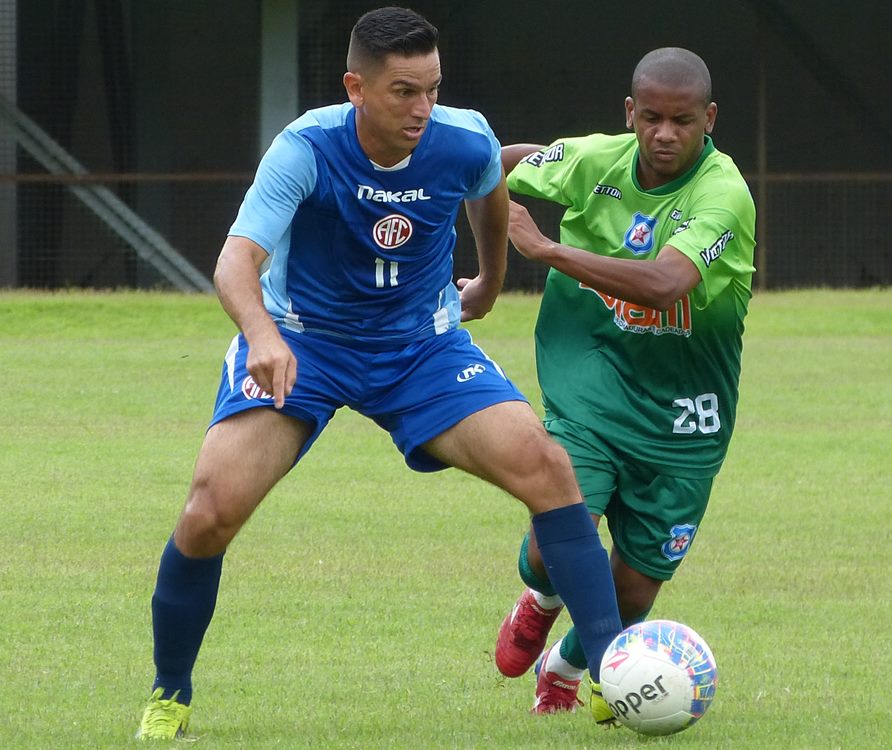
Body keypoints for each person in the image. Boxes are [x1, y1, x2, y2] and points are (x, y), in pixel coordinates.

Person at [136, 7, 623, 741]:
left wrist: (490, 283)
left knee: (549, 469)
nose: (423, 108)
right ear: (355, 88)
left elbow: (488, 191)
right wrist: (262, 337)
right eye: (403, 92)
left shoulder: (464, 138)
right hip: (306, 344)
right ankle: (170, 693)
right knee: (210, 511)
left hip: (419, 347)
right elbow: (235, 263)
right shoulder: (306, 147)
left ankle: (616, 676)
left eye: (431, 88)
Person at [493, 47, 756, 721]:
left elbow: (668, 284)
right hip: (590, 389)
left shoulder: (722, 195)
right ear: (630, 113)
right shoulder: (595, 161)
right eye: (653, 118)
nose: (665, 134)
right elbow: (491, 164)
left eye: (683, 121)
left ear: (710, 119)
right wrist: (486, 264)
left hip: (684, 421)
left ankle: (568, 663)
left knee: (635, 588)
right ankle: (541, 599)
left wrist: (547, 251)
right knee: (556, 540)